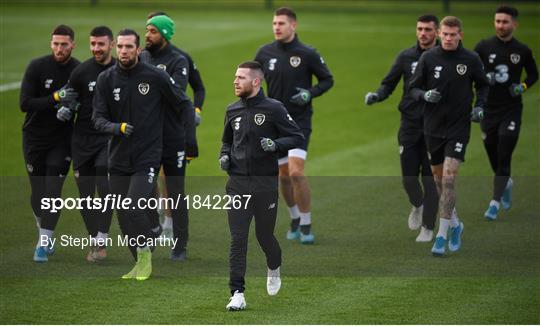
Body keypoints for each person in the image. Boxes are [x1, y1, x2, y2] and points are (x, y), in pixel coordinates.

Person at [93, 29, 192, 280]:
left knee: (134, 207)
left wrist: (183, 140)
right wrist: (118, 128)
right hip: (117, 157)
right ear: (115, 47)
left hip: (147, 156)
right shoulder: (106, 79)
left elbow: (182, 103)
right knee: (123, 216)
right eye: (121, 47)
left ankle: (147, 252)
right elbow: (98, 119)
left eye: (130, 47)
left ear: (139, 50)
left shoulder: (155, 76)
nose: (124, 51)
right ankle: (140, 260)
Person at [219, 61, 304, 310]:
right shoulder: (232, 110)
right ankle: (237, 293)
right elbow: (226, 142)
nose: (235, 81)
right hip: (236, 184)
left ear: (256, 82)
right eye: (235, 77)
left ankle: (274, 265)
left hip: (265, 184)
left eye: (241, 78)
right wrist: (224, 156)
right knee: (238, 238)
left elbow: (296, 137)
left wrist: (275, 145)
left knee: (264, 235)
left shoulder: (274, 108)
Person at [409, 16, 490, 256]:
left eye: (452, 34)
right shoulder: (428, 58)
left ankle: (441, 236)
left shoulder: (471, 59)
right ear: (439, 34)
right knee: (437, 181)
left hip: (458, 127)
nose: (447, 38)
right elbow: (412, 88)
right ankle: (456, 226)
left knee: (449, 179)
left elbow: (483, 86)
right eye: (444, 34)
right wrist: (424, 95)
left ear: (460, 35)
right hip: (432, 128)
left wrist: (479, 106)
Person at [254, 7, 333, 244]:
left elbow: (328, 80)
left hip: (299, 123)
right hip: (274, 125)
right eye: (274, 23)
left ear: (293, 26)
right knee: (283, 177)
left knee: (296, 172)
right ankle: (295, 217)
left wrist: (310, 94)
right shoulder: (264, 52)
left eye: (281, 23)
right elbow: (254, 80)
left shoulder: (308, 53)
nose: (277, 27)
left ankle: (307, 224)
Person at [365, 14, 440, 242]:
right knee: (409, 178)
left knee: (430, 179)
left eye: (428, 29)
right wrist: (377, 95)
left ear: (436, 31)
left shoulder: (444, 59)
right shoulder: (406, 56)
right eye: (420, 29)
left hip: (435, 126)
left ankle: (428, 227)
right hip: (409, 124)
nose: (423, 33)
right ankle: (416, 205)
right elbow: (390, 82)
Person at [20, 24, 80, 262]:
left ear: (73, 45)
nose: (59, 48)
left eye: (64, 44)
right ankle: (44, 230)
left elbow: (86, 102)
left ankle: (43, 243)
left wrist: (71, 107)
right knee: (38, 195)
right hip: (34, 137)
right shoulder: (37, 67)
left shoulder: (79, 70)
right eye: (56, 43)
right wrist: (55, 97)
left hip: (62, 140)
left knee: (53, 191)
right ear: (51, 44)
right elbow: (25, 103)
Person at [140, 14, 196, 261]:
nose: (147, 34)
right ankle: (152, 231)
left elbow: (176, 95)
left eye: (152, 31)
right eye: (146, 30)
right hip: (147, 137)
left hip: (172, 137)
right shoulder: (142, 57)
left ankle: (180, 245)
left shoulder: (178, 60)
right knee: (145, 188)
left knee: (175, 191)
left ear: (164, 34)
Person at [474, 6, 538, 221]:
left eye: (505, 22)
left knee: (504, 152)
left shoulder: (522, 50)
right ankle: (506, 182)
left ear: (514, 25)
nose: (500, 25)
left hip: (511, 109)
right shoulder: (483, 47)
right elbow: (472, 70)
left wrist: (522, 87)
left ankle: (494, 202)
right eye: (498, 21)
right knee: (493, 153)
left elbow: (533, 75)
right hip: (488, 110)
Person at [61, 26, 116, 262]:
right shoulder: (81, 72)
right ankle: (94, 238)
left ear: (111, 45)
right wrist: (65, 108)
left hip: (108, 139)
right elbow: (70, 98)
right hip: (82, 140)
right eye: (93, 44)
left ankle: (101, 241)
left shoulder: (118, 71)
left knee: (105, 188)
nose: (96, 48)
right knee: (85, 196)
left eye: (101, 44)